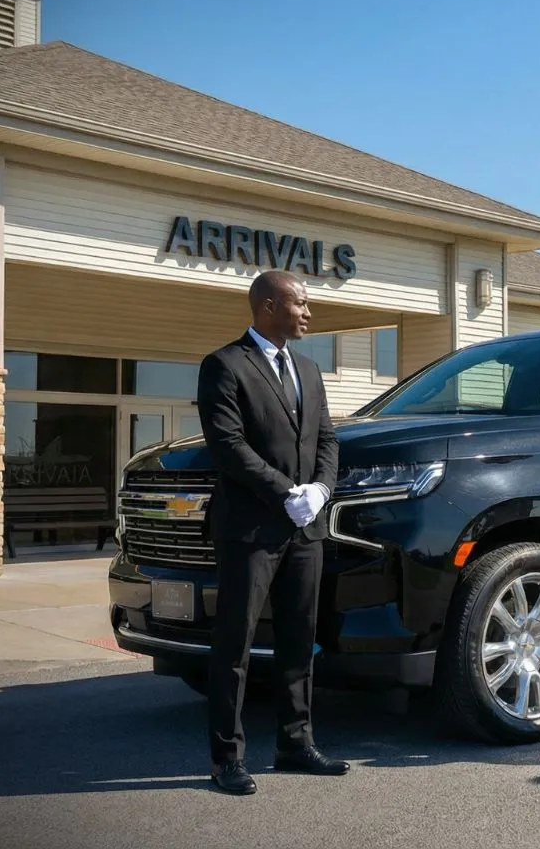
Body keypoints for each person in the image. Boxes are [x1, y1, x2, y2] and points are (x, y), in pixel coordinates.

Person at [197, 269, 348, 795]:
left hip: (306, 530)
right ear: (267, 306)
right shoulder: (224, 365)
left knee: (297, 642)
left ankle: (295, 744)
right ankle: (226, 759)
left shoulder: (308, 368)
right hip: (250, 529)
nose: (308, 313)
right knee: (234, 645)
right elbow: (228, 445)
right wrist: (287, 491)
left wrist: (321, 491)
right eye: (300, 304)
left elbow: (327, 436)